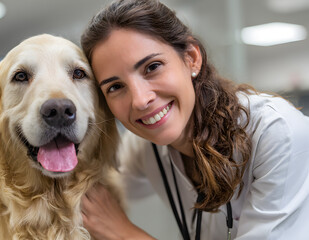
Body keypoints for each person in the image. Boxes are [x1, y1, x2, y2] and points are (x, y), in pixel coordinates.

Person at [79, 0, 309, 239]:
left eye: (152, 67)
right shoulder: (144, 148)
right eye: (115, 87)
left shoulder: (277, 133)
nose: (139, 100)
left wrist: (124, 234)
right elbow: (87, 190)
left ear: (191, 58)